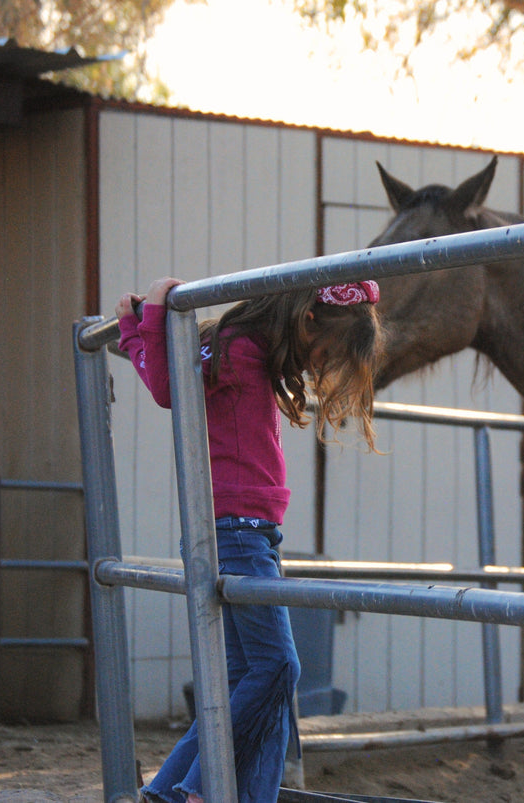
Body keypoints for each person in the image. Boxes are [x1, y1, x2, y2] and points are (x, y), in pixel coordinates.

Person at [116, 276, 382, 803]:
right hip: (237, 528)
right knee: (279, 667)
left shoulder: (238, 347)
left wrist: (134, 332)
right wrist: (143, 321)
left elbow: (166, 382)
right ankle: (192, 790)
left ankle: (170, 791)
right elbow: (170, 389)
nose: (317, 368)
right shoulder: (241, 348)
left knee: (254, 682)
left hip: (242, 528)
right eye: (324, 354)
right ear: (308, 321)